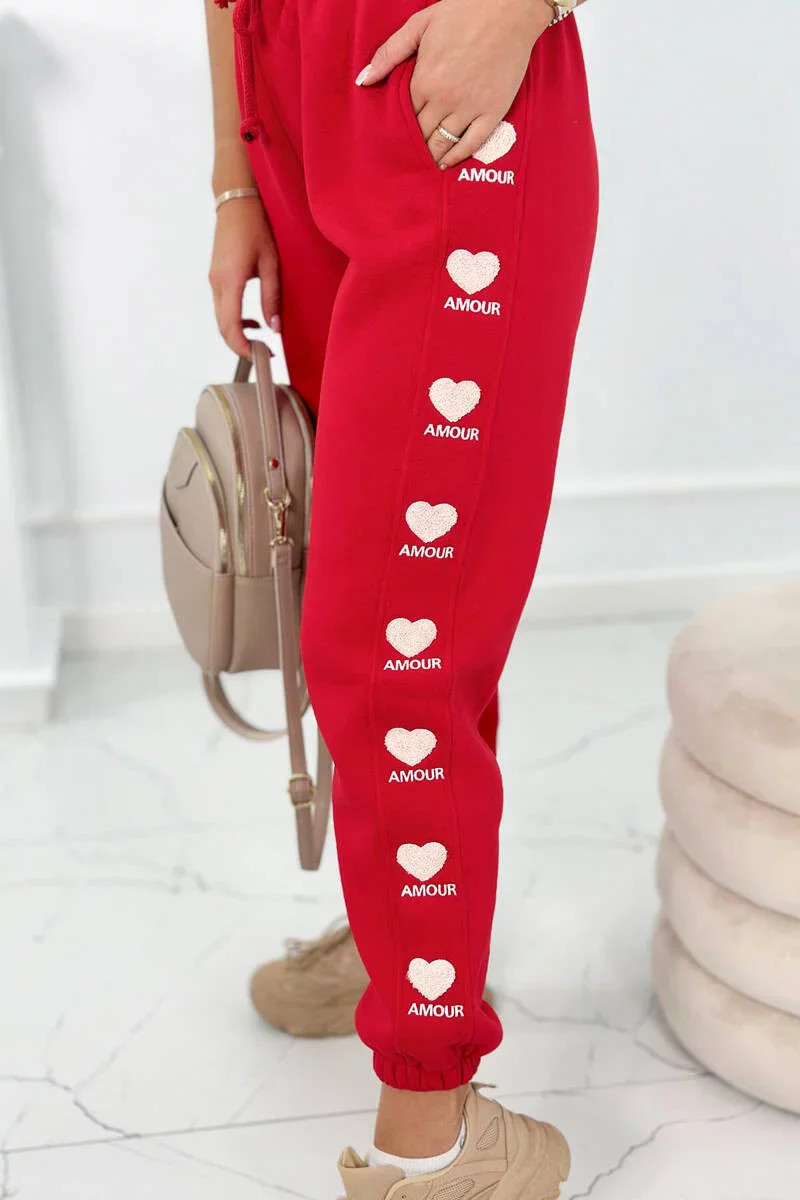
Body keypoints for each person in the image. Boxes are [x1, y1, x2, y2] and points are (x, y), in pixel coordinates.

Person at [205, 0, 598, 1193]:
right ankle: (411, 957)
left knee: (398, 645)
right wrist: (236, 176)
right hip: (292, 92)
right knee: (382, 581)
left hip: (449, 84)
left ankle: (431, 1129)